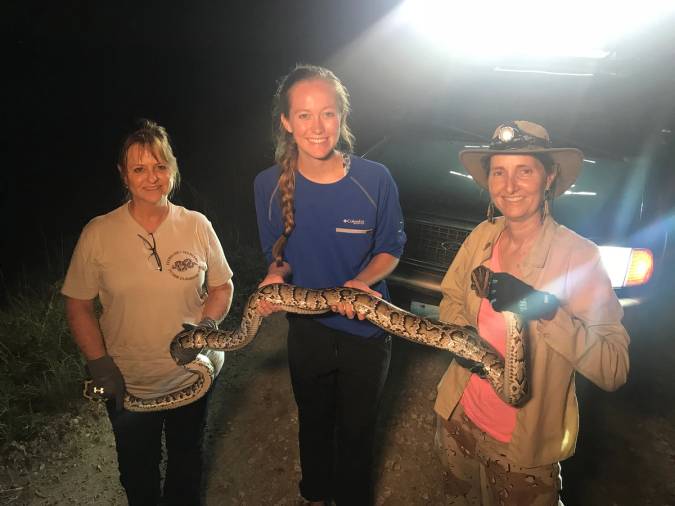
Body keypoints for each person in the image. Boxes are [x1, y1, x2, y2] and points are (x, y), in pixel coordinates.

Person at [432, 120, 630, 505]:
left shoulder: (579, 257)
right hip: (458, 419)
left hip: (522, 453)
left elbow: (614, 367)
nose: (510, 186)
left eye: (525, 170)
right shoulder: (482, 237)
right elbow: (452, 297)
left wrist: (546, 311)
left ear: (549, 177)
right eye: (499, 172)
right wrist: (460, 337)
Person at [254, 64, 406, 506]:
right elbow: (275, 256)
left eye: (327, 113)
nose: (317, 127)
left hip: (367, 329)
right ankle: (316, 495)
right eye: (303, 115)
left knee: (359, 429)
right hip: (308, 332)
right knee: (314, 422)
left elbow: (392, 247)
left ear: (342, 116)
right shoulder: (267, 185)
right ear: (286, 121)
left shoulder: (375, 179)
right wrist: (273, 278)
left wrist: (360, 282)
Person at [62, 119, 234, 506]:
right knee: (137, 473)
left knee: (187, 463)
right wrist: (100, 367)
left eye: (160, 166)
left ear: (173, 170)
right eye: (139, 168)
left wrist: (206, 329)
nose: (152, 177)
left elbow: (223, 286)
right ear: (124, 175)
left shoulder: (196, 225)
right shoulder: (98, 233)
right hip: (128, 384)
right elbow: (77, 304)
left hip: (193, 378)